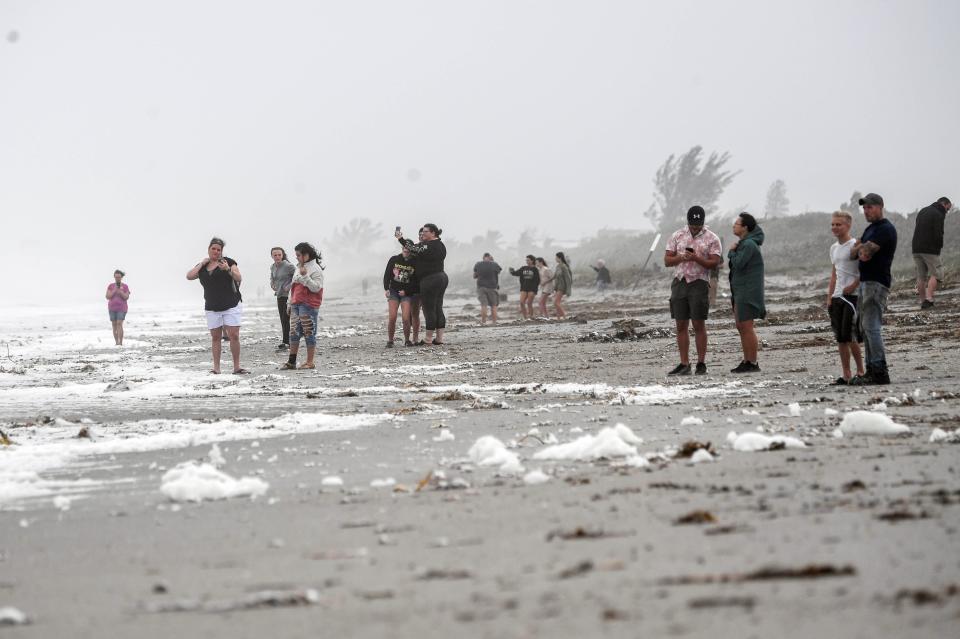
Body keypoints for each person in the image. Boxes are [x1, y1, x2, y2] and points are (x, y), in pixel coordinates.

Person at [663, 205, 722, 376]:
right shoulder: (677, 235)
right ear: (688, 221)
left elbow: (714, 263)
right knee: (681, 324)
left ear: (703, 222)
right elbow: (667, 260)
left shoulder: (712, 238)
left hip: (699, 282)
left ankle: (701, 363)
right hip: (680, 281)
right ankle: (684, 363)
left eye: (698, 224)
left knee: (698, 324)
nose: (696, 227)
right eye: (693, 224)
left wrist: (696, 257)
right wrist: (681, 257)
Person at [848, 193, 897, 385]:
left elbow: (865, 253)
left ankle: (879, 371)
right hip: (866, 282)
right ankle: (871, 369)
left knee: (871, 327)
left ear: (880, 207)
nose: (866, 211)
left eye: (870, 207)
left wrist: (862, 248)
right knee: (866, 328)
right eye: (865, 208)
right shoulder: (871, 229)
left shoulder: (885, 229)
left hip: (876, 282)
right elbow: (854, 254)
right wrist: (861, 248)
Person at [186, 237, 246, 374]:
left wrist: (228, 270)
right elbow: (189, 276)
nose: (216, 251)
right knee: (215, 337)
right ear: (208, 249)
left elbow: (238, 277)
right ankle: (216, 368)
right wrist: (201, 264)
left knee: (234, 335)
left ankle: (236, 367)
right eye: (213, 248)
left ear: (221, 252)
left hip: (231, 304)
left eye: (219, 249)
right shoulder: (203, 266)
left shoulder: (228, 262)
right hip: (212, 306)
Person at [827, 212, 865, 384]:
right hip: (837, 297)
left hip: (851, 297)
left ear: (848, 225)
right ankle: (846, 374)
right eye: (833, 224)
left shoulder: (856, 245)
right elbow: (834, 274)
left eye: (839, 224)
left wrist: (854, 285)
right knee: (840, 338)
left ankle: (861, 371)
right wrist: (829, 297)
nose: (835, 227)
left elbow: (865, 270)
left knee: (850, 337)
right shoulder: (833, 248)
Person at [396, 224, 447, 345]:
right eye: (422, 232)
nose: (422, 233)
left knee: (429, 309)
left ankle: (428, 339)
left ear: (433, 233)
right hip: (442, 277)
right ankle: (439, 339)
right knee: (438, 308)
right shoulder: (440, 245)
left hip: (430, 279)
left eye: (425, 231)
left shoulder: (428, 245)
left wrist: (400, 239)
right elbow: (416, 249)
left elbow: (414, 249)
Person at [728, 212, 765, 373]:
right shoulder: (744, 243)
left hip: (748, 290)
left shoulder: (749, 244)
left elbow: (739, 263)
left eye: (737, 223)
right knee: (740, 326)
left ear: (745, 227)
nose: (734, 226)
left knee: (747, 326)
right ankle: (746, 360)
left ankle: (752, 362)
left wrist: (731, 252)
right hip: (740, 289)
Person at [282, 242, 325, 370]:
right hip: (296, 303)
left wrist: (305, 277)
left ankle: (310, 362)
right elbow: (293, 288)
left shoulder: (315, 269)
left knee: (309, 332)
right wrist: (289, 303)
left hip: (309, 305)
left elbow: (316, 288)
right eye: (296, 255)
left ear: (307, 255)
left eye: (299, 255)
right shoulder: (299, 267)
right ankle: (291, 361)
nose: (297, 257)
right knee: (293, 332)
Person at [912, 196, 952, 310]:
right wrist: (938, 247)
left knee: (921, 276)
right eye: (947, 209)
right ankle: (929, 299)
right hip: (929, 249)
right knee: (937, 273)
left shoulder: (923, 211)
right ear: (944, 204)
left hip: (916, 248)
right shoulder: (938, 214)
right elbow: (938, 233)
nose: (947, 212)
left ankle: (923, 300)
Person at [383, 246, 419, 347]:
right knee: (392, 317)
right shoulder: (394, 259)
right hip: (394, 291)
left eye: (408, 250)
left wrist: (406, 291)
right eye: (404, 249)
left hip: (406, 294)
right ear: (402, 249)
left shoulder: (414, 262)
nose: (406, 252)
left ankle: (407, 340)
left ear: (411, 251)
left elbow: (416, 282)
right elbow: (387, 275)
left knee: (406, 318)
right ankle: (390, 340)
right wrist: (386, 289)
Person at [270, 247, 295, 350]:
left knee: (286, 318)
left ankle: (287, 342)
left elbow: (297, 277)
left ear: (282, 255)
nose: (277, 257)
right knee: (283, 319)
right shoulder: (272, 267)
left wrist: (289, 286)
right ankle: (286, 341)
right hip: (279, 295)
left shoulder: (288, 266)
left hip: (289, 296)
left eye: (279, 255)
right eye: (275, 255)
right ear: (272, 256)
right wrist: (272, 283)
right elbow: (272, 277)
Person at [508, 255, 541, 320]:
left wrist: (535, 290)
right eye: (526, 260)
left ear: (532, 261)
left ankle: (531, 316)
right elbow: (516, 273)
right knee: (521, 302)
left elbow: (538, 280)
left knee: (529, 303)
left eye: (528, 260)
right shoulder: (523, 268)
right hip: (524, 287)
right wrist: (512, 271)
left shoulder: (535, 269)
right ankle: (525, 317)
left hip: (532, 288)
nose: (527, 261)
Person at [473, 252, 502, 325]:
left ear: (483, 258)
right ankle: (494, 322)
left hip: (481, 287)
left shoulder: (478, 264)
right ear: (490, 257)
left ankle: (483, 322)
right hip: (492, 287)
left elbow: (474, 276)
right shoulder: (494, 264)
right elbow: (498, 272)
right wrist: (493, 261)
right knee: (493, 305)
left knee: (484, 305)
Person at [105, 269, 130, 346]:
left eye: (119, 277)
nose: (117, 279)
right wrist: (114, 290)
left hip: (122, 308)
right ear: (114, 277)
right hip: (112, 308)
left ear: (121, 277)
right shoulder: (111, 286)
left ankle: (121, 342)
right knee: (114, 324)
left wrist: (120, 292)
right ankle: (116, 342)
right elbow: (107, 296)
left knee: (119, 323)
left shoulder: (125, 286)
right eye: (116, 277)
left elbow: (126, 297)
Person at [544, 251, 572, 319]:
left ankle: (564, 316)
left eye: (556, 257)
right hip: (557, 287)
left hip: (562, 287)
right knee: (556, 302)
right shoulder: (558, 266)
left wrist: (568, 290)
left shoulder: (564, 266)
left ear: (559, 258)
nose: (555, 259)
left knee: (556, 302)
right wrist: (546, 281)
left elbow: (568, 279)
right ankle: (558, 317)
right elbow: (555, 276)